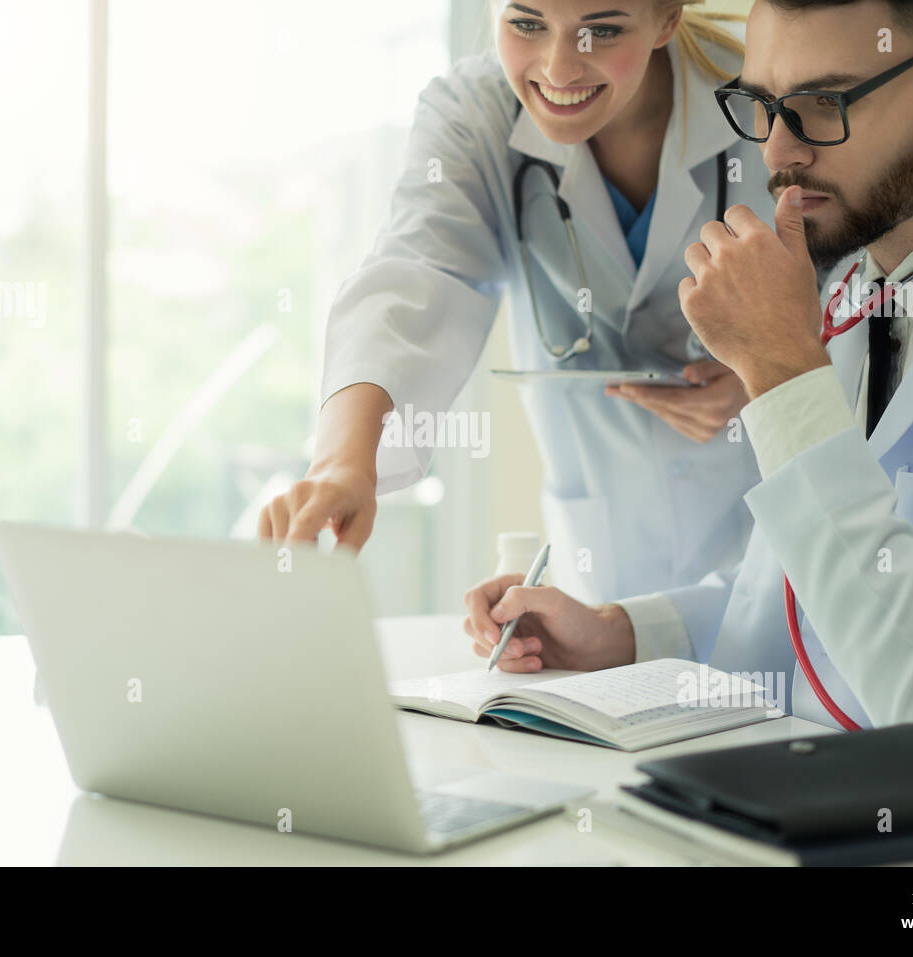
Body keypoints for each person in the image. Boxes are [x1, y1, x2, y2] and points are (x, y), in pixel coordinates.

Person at [463, 0, 913, 777]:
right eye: (761, 107)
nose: (780, 153)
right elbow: (799, 600)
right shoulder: (860, 285)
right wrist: (620, 631)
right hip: (803, 803)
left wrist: (781, 367)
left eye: (824, 106)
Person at [259, 1, 780, 603]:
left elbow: (858, 297)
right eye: (527, 24)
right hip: (606, 568)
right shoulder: (473, 113)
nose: (559, 68)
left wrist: (764, 376)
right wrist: (344, 462)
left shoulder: (767, 97)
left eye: (602, 30)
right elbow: (418, 269)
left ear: (666, 17)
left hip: (776, 551)